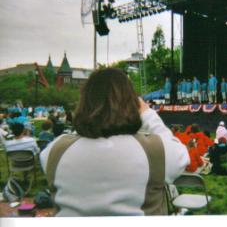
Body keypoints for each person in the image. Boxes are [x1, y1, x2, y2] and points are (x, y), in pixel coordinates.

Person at [40, 68, 190, 216]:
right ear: (133, 104)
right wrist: (147, 113)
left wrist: (88, 119)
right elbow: (181, 155)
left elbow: (79, 133)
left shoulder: (54, 152)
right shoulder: (155, 152)